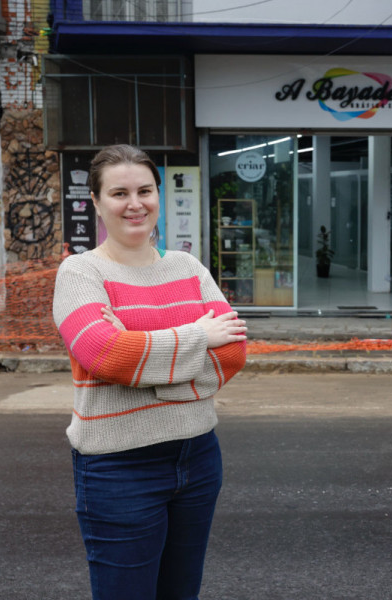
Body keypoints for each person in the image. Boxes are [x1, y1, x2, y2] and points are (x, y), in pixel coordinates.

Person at [52, 144, 248, 600]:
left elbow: (234, 353)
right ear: (97, 203)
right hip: (119, 467)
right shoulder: (80, 273)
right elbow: (106, 354)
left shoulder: (188, 266)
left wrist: (143, 356)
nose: (135, 203)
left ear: (159, 195)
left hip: (197, 458)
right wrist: (198, 336)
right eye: (119, 193)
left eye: (145, 190)